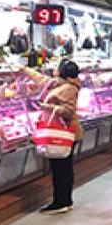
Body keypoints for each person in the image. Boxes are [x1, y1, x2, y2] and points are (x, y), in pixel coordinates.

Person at [38, 61, 82, 214]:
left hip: (63, 132)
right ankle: (65, 200)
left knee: (60, 169)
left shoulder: (69, 88)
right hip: (65, 132)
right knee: (64, 168)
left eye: (57, 67)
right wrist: (23, 69)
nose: (54, 69)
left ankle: (60, 202)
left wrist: (48, 107)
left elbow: (69, 111)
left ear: (62, 71)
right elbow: (40, 79)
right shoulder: (60, 84)